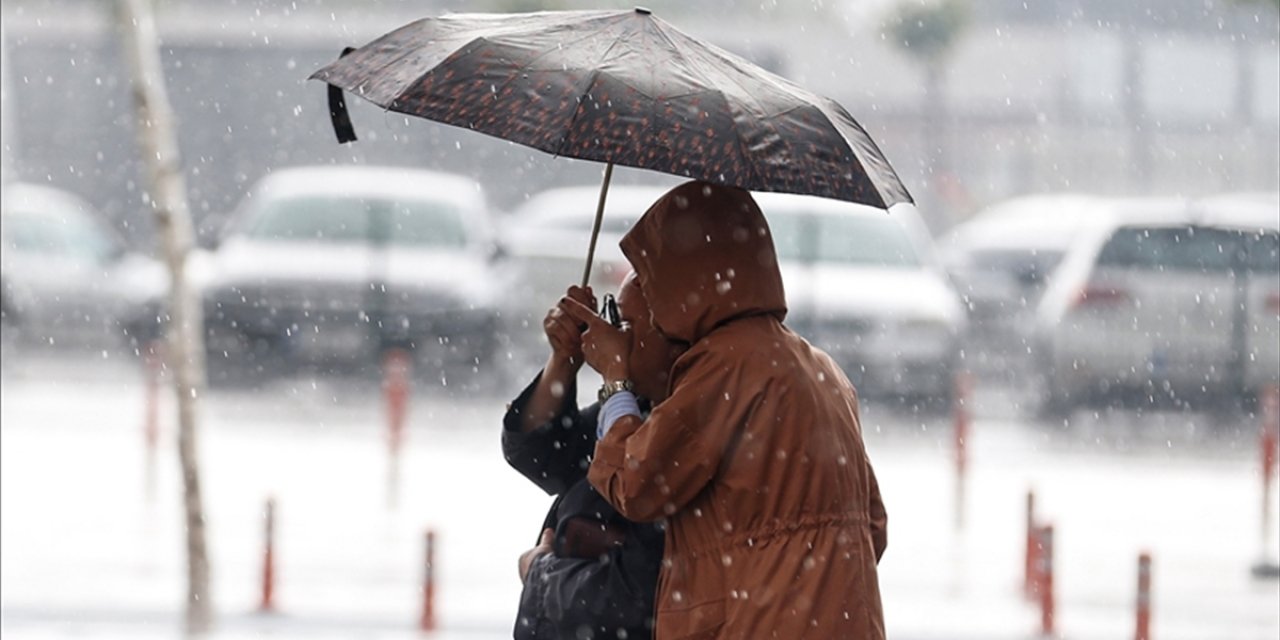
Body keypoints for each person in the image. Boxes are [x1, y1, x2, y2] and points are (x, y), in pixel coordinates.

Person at [563, 181, 889, 639]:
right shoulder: (820, 369)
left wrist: (615, 378)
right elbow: (874, 526)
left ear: (679, 285)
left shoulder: (724, 368)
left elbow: (636, 484)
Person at [503, 274, 686, 640]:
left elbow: (630, 599)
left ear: (676, 341)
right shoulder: (643, 406)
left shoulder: (683, 432)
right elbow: (542, 456)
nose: (610, 335)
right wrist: (563, 362)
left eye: (624, 324)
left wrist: (541, 574)